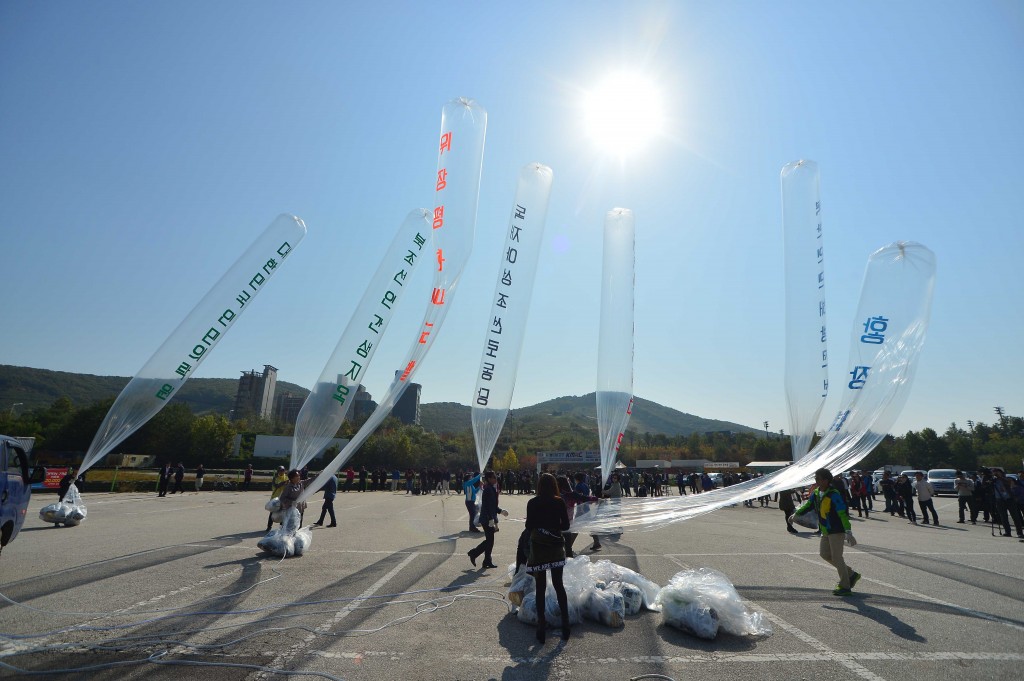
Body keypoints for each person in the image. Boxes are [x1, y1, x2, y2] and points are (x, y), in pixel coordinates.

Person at [790, 468, 860, 596]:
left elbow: (842, 513)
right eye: (815, 478)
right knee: (824, 554)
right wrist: (795, 514)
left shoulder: (834, 494)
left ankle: (845, 586)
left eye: (818, 478)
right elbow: (808, 505)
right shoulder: (816, 493)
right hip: (825, 529)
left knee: (837, 557)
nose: (816, 480)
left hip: (836, 530)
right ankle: (851, 574)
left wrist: (848, 530)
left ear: (826, 480)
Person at [525, 472, 572, 643]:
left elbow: (529, 525)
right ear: (554, 486)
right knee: (559, 585)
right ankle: (566, 625)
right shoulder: (559, 501)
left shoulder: (532, 502)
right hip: (555, 547)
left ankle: (541, 626)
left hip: (539, 548)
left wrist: (540, 526)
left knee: (540, 587)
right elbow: (566, 525)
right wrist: (553, 526)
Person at [467, 471, 507, 569]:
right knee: (490, 541)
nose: (495, 479)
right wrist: (490, 519)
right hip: (487, 519)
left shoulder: (491, 488)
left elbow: (493, 506)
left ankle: (485, 560)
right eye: (494, 477)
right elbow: (488, 506)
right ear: (489, 479)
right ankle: (475, 554)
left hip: (489, 518)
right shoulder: (488, 489)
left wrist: (500, 511)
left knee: (490, 541)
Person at [991, 469, 1024, 538]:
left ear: (1002, 473)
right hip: (999, 500)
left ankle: (1019, 532)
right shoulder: (994, 481)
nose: (996, 474)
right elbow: (985, 486)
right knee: (1003, 517)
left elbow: (1008, 484)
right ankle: (1007, 532)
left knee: (1015, 516)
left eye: (997, 472)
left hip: (1009, 499)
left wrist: (1000, 477)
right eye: (995, 473)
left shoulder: (1008, 478)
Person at [267, 466, 288, 531]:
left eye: (283, 470)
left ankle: (281, 527)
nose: (282, 472)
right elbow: (276, 486)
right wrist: (284, 482)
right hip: (275, 498)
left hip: (283, 498)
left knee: (283, 513)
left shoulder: (287, 477)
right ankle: (269, 526)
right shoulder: (275, 478)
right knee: (272, 512)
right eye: (280, 470)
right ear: (278, 471)